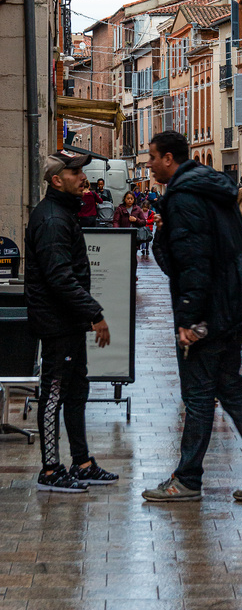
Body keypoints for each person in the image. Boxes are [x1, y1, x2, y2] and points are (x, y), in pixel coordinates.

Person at [142, 131, 242, 503]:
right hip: (235, 300)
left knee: (199, 394)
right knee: (229, 387)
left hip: (212, 308)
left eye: (153, 157)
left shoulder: (184, 196)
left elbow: (194, 261)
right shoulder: (210, 189)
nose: (149, 164)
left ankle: (188, 478)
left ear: (170, 158)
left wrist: (190, 319)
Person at [24, 150, 117, 493]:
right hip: (57, 323)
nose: (83, 177)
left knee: (77, 391)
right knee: (54, 394)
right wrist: (94, 313)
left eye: (82, 172)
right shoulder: (51, 219)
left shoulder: (64, 212)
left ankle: (82, 462)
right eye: (76, 173)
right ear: (56, 180)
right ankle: (50, 470)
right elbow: (60, 277)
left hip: (68, 321)